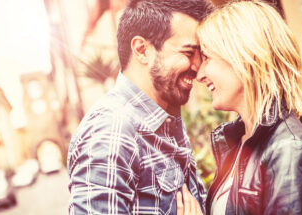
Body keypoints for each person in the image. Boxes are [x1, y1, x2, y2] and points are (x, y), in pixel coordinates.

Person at [67, 0, 213, 214]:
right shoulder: (111, 132)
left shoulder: (163, 115)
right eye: (189, 53)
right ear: (142, 50)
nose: (198, 67)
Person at [177, 1, 302, 215]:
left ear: (243, 58)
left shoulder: (288, 150)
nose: (200, 74)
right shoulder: (241, 143)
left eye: (207, 58)